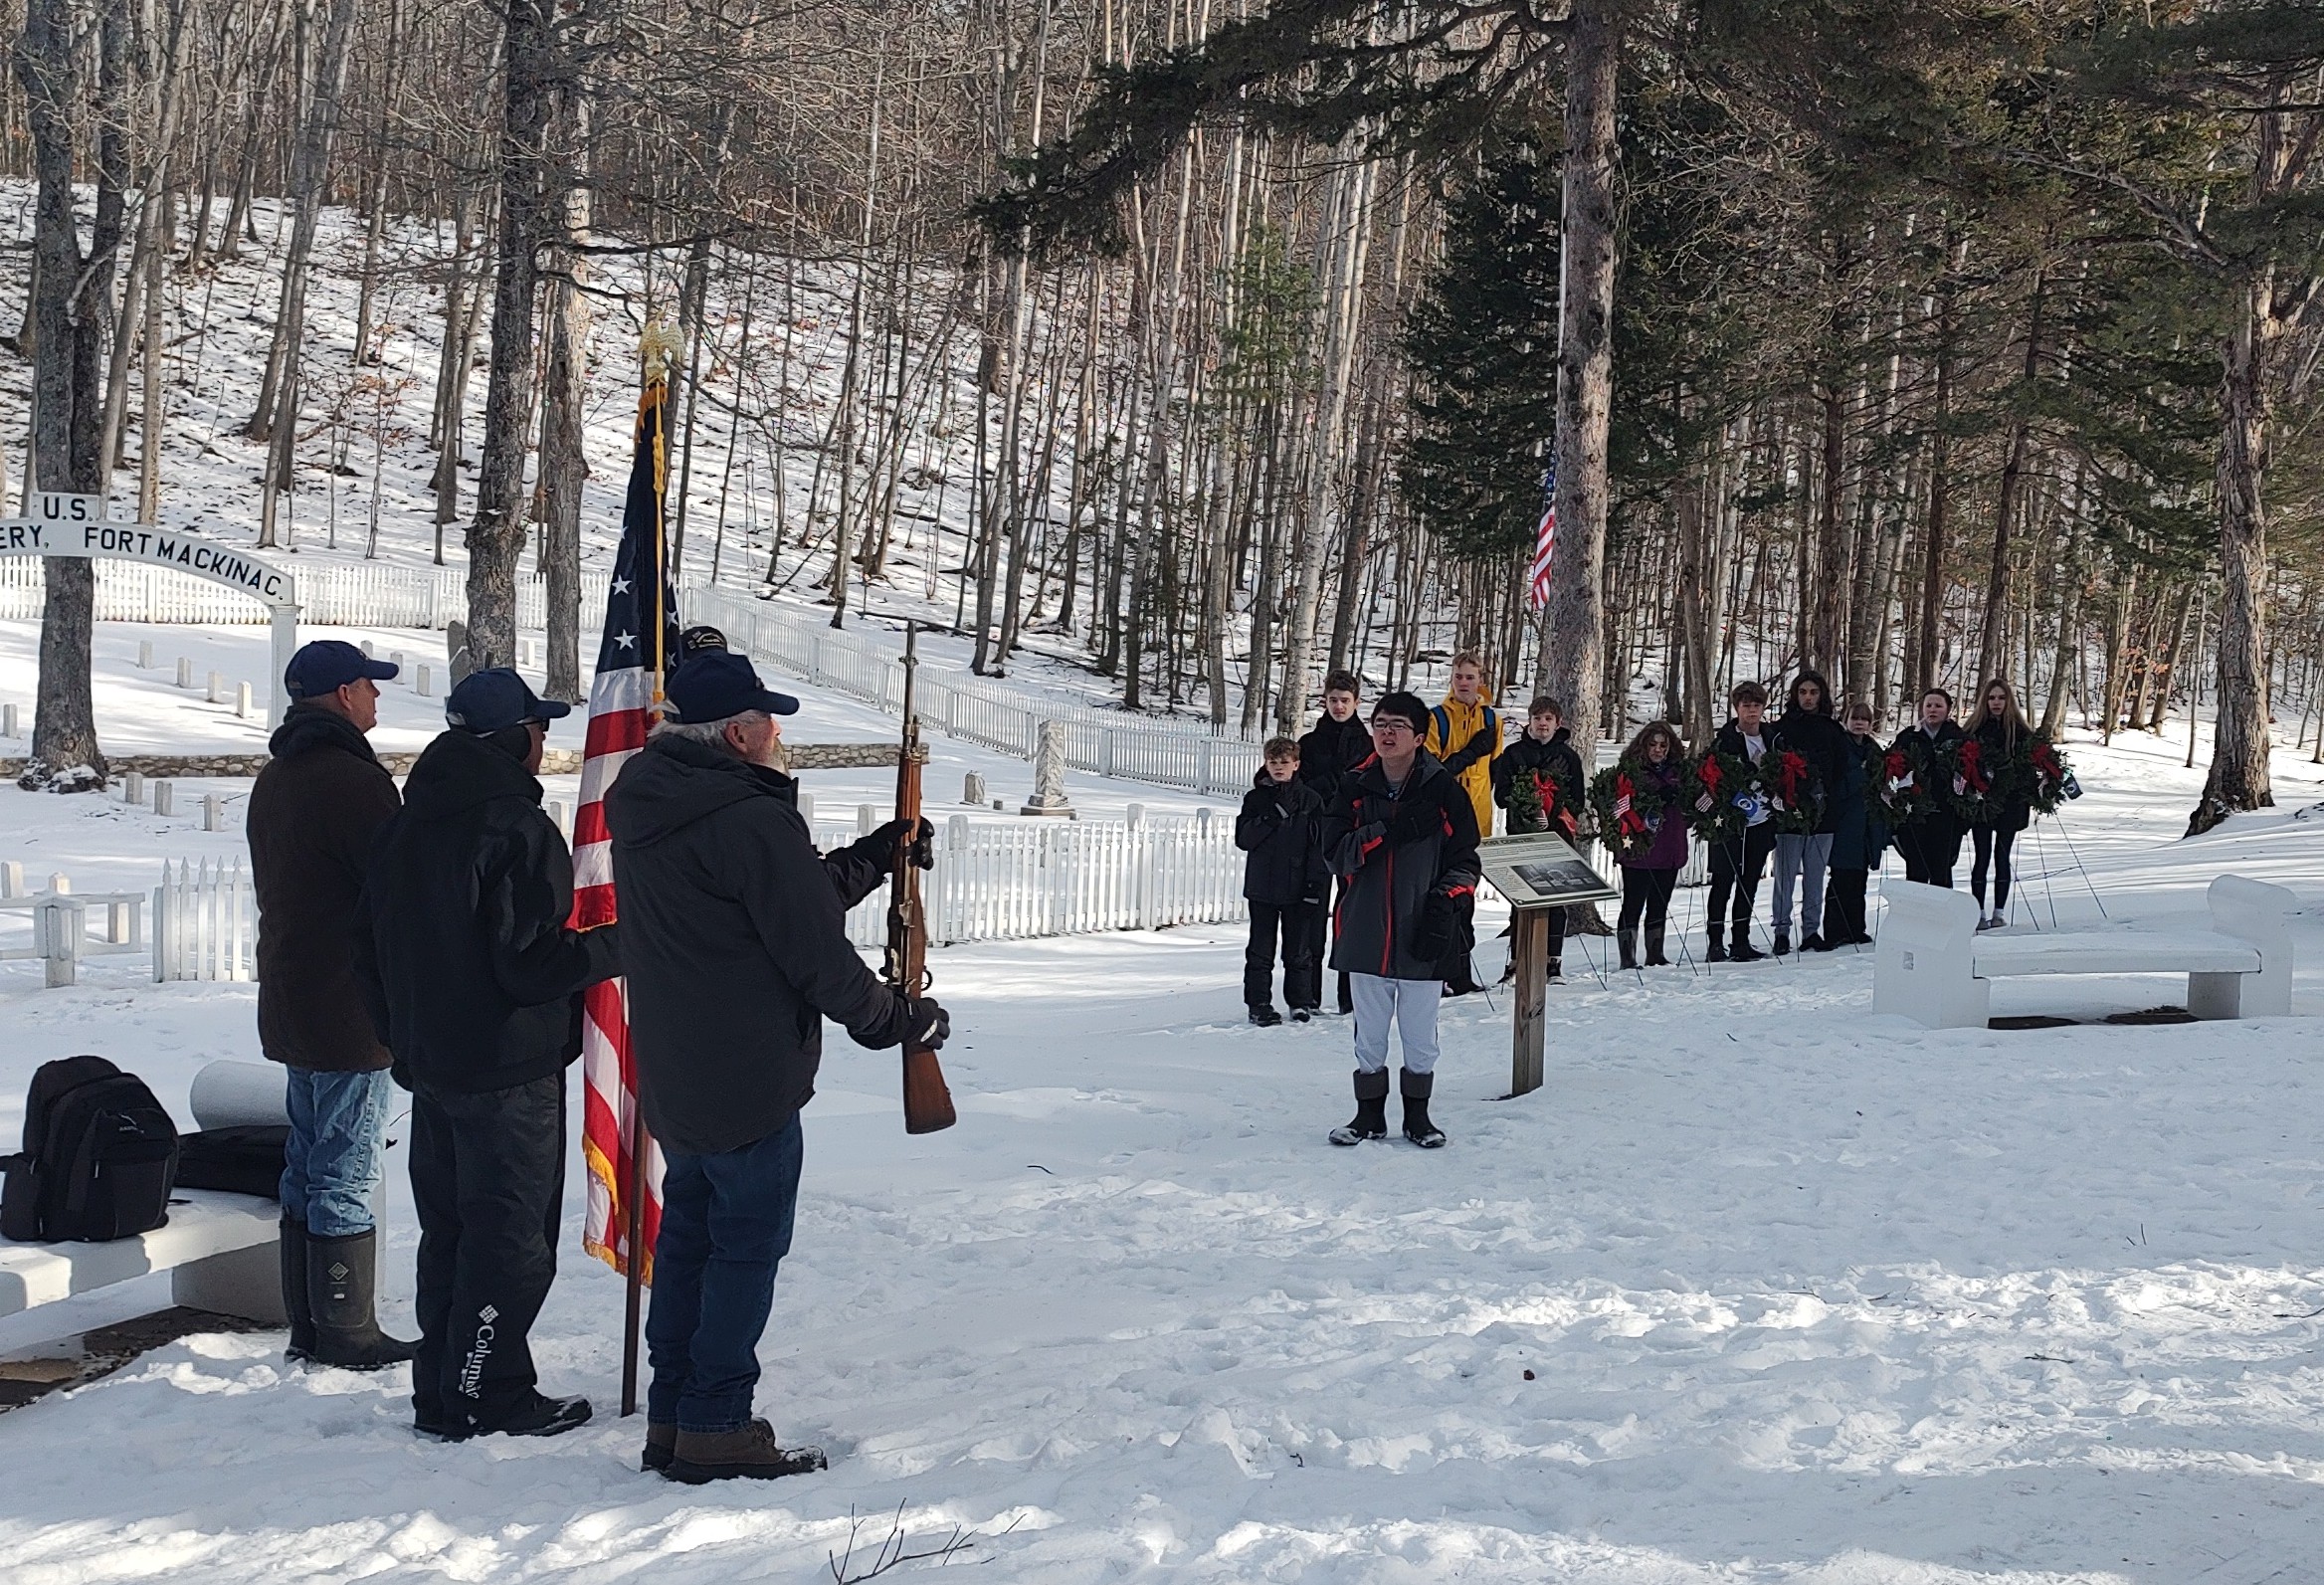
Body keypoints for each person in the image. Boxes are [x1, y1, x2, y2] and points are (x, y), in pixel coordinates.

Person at [605, 650, 947, 1484]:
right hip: (749, 1079)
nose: (778, 732)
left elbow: (780, 898)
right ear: (737, 732)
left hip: (678, 1075)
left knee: (688, 1241)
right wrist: (898, 1022)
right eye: (768, 719)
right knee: (743, 1251)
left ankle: (675, 1414)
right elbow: (814, 955)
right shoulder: (749, 817)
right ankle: (718, 1420)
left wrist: (877, 853)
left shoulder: (651, 802)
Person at [355, 668, 621, 1442]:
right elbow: (529, 962)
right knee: (509, 1244)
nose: (544, 743)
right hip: (506, 1071)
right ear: (513, 739)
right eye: (538, 731)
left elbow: (364, 946)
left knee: (454, 1234)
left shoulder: (408, 822)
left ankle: (444, 1389)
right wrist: (614, 942)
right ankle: (485, 1390)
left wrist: (402, 1034)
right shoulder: (512, 826)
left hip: (436, 1066)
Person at [247, 639, 414, 1371]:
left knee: (305, 1160)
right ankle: (346, 1327)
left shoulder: (276, 777)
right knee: (345, 1164)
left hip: (291, 995)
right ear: (344, 694)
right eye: (370, 687)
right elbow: (395, 890)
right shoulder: (353, 782)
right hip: (349, 1003)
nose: (378, 699)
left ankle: (310, 1322)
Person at [1320, 691, 1481, 1150]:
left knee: (1419, 1034)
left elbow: (1467, 858)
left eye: (1397, 725)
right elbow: (1335, 854)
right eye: (1380, 723)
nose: (1386, 733)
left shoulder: (1444, 790)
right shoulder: (1353, 787)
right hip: (1365, 930)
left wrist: (1447, 900)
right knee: (1369, 1034)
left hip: (1421, 931)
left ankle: (1419, 1119)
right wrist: (1388, 830)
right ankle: (1368, 1117)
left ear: (1419, 737)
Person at [1491, 695, 1586, 982]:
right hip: (1521, 835)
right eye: (1537, 718)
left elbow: (1577, 799)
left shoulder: (1567, 757)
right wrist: (1529, 809)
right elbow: (1501, 796)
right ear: (1529, 722)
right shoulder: (1513, 754)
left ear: (1558, 724)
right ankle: (1517, 960)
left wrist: (1554, 812)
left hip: (1557, 837)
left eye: (1548, 719)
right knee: (1521, 899)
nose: (1542, 724)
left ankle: (1552, 960)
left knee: (1556, 899)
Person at [1236, 737, 1328, 1025]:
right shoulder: (1255, 799)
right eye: (1273, 762)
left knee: (1299, 950)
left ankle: (1300, 1002)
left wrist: (1314, 886)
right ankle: (1259, 1003)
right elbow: (1244, 839)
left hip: (1298, 886)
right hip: (1262, 886)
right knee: (1260, 950)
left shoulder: (1311, 800)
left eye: (1284, 763)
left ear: (1296, 765)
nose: (1278, 768)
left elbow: (1318, 848)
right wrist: (1272, 816)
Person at [1298, 670, 1370, 1015]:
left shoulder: (1368, 743)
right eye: (1333, 700)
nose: (1339, 706)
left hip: (1350, 838)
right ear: (1324, 702)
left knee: (1349, 914)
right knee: (1311, 914)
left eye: (1345, 701)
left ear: (1356, 703)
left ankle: (1349, 995)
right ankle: (1307, 995)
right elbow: (1304, 786)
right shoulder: (1311, 743)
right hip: (1316, 836)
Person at [1768, 670, 1849, 954]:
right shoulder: (1781, 729)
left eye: (1813, 692)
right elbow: (1772, 767)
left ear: (1822, 695)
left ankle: (1811, 931)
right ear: (1795, 695)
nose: (1808, 698)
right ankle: (1780, 931)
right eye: (1803, 692)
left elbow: (1841, 770)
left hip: (1823, 815)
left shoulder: (1833, 729)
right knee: (1785, 877)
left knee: (1815, 877)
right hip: (1789, 814)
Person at [1703, 681, 1778, 963]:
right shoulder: (1724, 740)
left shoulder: (1772, 738)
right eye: (1746, 706)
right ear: (1737, 708)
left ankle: (1740, 940)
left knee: (1749, 883)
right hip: (1730, 822)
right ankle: (1715, 942)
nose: (1751, 711)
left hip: (1761, 820)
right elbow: (1712, 778)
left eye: (1756, 705)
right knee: (1723, 881)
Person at [1609, 721, 1689, 969]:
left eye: (1663, 745)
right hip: (1639, 849)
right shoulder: (1632, 772)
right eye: (1653, 744)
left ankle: (1655, 952)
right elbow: (1618, 805)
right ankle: (1627, 956)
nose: (1658, 750)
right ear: (1643, 746)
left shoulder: (1679, 772)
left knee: (1660, 902)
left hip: (1670, 846)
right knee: (1633, 902)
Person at [1963, 677, 2035, 930]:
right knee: (1981, 856)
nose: (1996, 702)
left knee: (2002, 856)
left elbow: (2031, 765)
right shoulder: (1974, 729)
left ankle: (1999, 912)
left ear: (2009, 701)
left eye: (2001, 698)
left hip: (2011, 803)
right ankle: (1979, 912)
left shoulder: (2020, 732)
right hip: (1981, 802)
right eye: (1992, 698)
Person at [1422, 650, 1503, 843]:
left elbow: (1496, 769)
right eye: (1458, 676)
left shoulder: (1492, 720)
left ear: (1480, 680)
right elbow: (1431, 772)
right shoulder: (1436, 718)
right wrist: (1471, 752)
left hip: (1479, 811)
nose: (1463, 683)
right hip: (1445, 810)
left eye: (1470, 677)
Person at [1825, 701, 1888, 947]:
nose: (1859, 723)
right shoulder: (1841, 748)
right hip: (1844, 822)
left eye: (1864, 719)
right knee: (1840, 879)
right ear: (1846, 720)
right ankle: (1834, 930)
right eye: (1855, 718)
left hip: (1866, 825)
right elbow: (1838, 784)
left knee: (1859, 881)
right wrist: (1860, 775)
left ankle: (1856, 928)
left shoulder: (1874, 751)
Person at [1890, 688, 1967, 889]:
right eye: (1928, 705)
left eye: (1938, 706)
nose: (1933, 710)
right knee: (1916, 870)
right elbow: (1892, 770)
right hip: (1914, 814)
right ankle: (1918, 916)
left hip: (1946, 814)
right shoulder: (1908, 737)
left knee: (1941, 870)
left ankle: (1942, 917)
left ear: (1948, 710)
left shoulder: (1959, 738)